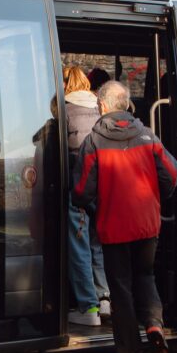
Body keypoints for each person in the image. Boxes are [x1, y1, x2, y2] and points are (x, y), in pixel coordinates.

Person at [73, 80, 177, 353]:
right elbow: (172, 172)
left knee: (121, 292)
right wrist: (157, 197)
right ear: (126, 105)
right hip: (147, 223)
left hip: (114, 226)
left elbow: (82, 189)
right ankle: (155, 323)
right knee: (145, 275)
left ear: (102, 106)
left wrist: (81, 202)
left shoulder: (94, 141)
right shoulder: (147, 135)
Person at [63, 66, 110, 325]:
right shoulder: (100, 109)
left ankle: (88, 307)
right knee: (97, 243)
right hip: (101, 185)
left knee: (78, 245)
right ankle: (104, 298)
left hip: (77, 187)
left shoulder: (64, 110)